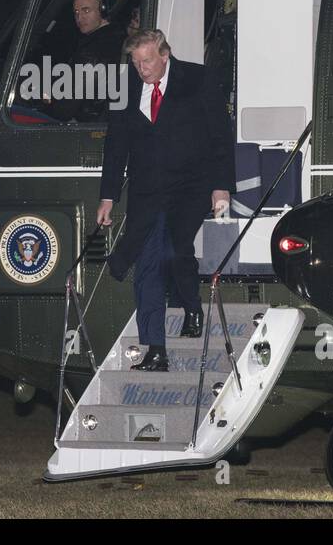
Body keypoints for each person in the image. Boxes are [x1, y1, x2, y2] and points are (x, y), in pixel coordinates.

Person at [96, 29, 234, 370]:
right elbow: (116, 143)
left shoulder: (198, 79)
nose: (141, 69)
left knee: (174, 249)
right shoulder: (126, 86)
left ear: (164, 55)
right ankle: (155, 349)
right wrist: (108, 196)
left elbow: (220, 136)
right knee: (148, 265)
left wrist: (221, 187)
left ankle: (191, 306)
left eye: (146, 61)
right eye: (135, 62)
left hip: (191, 186)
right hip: (147, 188)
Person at [43, 0, 126, 122]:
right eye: (76, 12)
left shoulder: (94, 50)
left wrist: (44, 105)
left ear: (102, 10)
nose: (79, 18)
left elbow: (67, 107)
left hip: (83, 122)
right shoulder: (115, 36)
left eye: (86, 10)